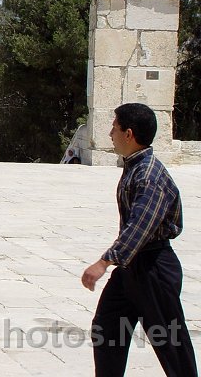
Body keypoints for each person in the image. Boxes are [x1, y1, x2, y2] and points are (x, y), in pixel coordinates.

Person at [81, 103, 197, 376]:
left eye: (115, 127)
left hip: (154, 268)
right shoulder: (136, 166)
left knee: (171, 344)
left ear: (129, 133)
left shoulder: (149, 174)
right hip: (133, 267)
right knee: (107, 328)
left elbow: (139, 227)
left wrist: (104, 262)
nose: (110, 133)